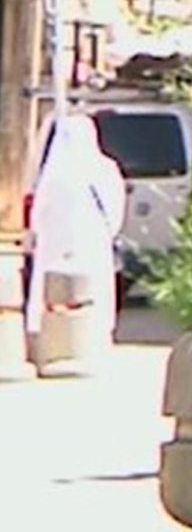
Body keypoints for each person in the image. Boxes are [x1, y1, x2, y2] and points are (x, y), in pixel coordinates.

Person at [26, 114, 126, 375]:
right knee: (94, 291)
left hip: (53, 245)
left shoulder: (53, 173)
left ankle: (45, 339)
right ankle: (94, 338)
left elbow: (37, 216)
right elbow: (116, 209)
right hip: (94, 242)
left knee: (49, 293)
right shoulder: (105, 168)